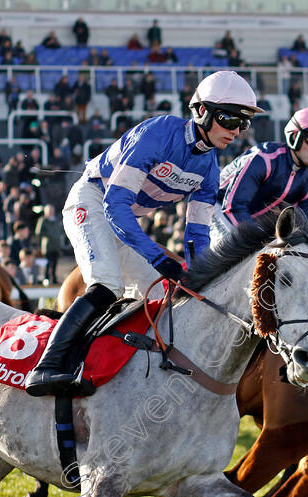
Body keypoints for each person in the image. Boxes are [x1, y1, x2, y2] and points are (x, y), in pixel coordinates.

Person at [25, 70, 263, 397]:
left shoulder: (209, 170)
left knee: (158, 297)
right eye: (229, 119)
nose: (236, 131)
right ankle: (46, 367)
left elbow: (197, 237)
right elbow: (114, 204)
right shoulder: (160, 131)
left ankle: (112, 367)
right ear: (202, 111)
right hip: (95, 200)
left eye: (244, 123)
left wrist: (202, 278)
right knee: (108, 284)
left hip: (126, 219)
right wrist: (157, 256)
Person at [210, 106, 308, 242]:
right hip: (215, 206)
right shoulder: (263, 158)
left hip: (254, 224)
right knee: (233, 247)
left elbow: (303, 228)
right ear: (295, 136)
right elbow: (233, 207)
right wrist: (261, 242)